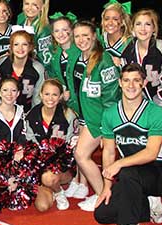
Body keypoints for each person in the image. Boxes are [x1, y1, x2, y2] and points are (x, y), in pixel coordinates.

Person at [94, 64, 162, 225]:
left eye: (136, 80)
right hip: (131, 176)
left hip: (157, 173)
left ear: (144, 83)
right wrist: (106, 186)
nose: (131, 85)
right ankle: (147, 204)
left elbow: (151, 153)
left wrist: (119, 164)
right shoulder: (110, 114)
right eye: (126, 80)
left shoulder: (156, 112)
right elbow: (109, 153)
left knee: (127, 172)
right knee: (103, 214)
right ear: (120, 83)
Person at [120, 9, 162, 221]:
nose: (143, 29)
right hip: (139, 111)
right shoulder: (129, 49)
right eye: (139, 24)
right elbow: (127, 81)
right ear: (133, 28)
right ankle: (152, 198)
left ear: (154, 28)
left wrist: (152, 111)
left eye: (148, 24)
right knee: (142, 151)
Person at [66, 20, 120, 212]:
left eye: (85, 36)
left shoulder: (104, 61)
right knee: (82, 154)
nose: (81, 40)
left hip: (97, 118)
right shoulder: (76, 57)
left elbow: (112, 97)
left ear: (94, 36)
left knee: (81, 155)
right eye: (77, 36)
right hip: (82, 114)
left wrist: (108, 129)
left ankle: (101, 195)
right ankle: (99, 192)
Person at [48, 12, 89, 199]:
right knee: (76, 143)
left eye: (65, 29)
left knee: (83, 146)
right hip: (72, 106)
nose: (62, 33)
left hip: (85, 105)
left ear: (72, 31)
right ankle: (79, 181)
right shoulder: (57, 55)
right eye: (57, 30)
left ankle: (85, 183)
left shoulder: (79, 51)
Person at [26, 79, 78, 211]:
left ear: (60, 96)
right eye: (47, 94)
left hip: (62, 167)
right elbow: (29, 143)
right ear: (41, 95)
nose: (50, 98)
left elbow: (72, 145)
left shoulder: (68, 115)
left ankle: (59, 192)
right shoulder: (31, 116)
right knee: (42, 206)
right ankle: (50, 188)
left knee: (48, 178)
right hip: (40, 166)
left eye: (55, 95)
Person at [0, 30, 45, 111]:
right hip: (2, 111)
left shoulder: (37, 68)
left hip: (27, 112)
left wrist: (34, 116)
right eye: (16, 44)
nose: (20, 48)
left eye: (24, 44)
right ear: (11, 47)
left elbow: (38, 97)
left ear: (30, 47)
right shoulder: (1, 64)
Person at [0, 77, 26, 145]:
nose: (9, 94)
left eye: (13, 90)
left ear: (18, 93)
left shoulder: (23, 115)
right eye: (5, 90)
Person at [15, 0, 52, 68]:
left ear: (42, 7)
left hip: (37, 69)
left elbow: (46, 61)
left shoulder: (44, 30)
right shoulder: (20, 19)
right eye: (27, 4)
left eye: (34, 5)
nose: (30, 8)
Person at [100, 0, 132, 65]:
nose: (110, 23)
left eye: (115, 19)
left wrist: (122, 62)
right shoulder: (99, 39)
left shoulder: (131, 42)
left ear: (123, 21)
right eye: (106, 19)